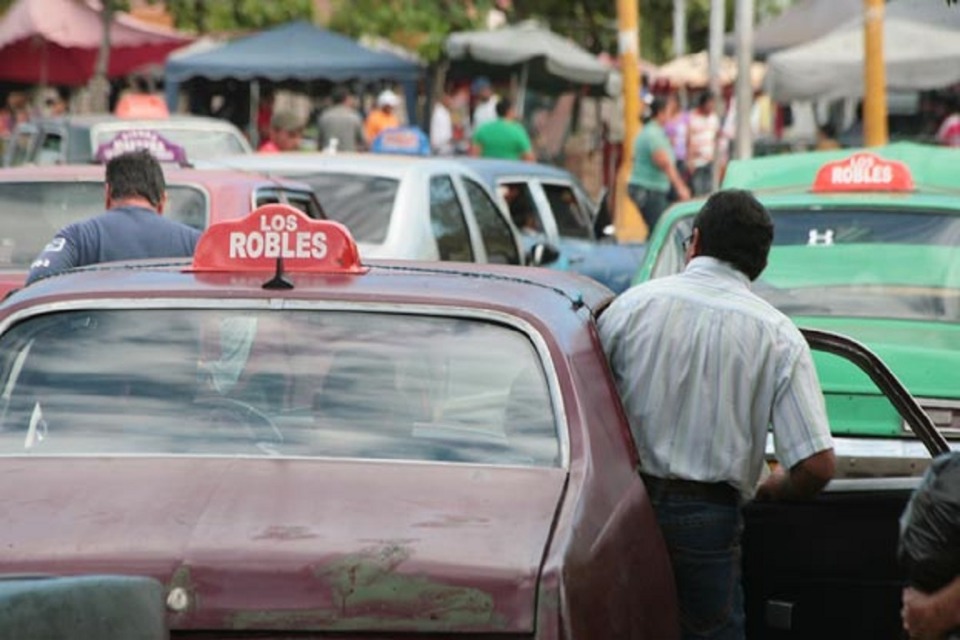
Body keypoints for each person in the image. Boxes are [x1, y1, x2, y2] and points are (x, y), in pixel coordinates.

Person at [598, 189, 836, 640]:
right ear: (760, 264)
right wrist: (774, 487)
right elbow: (817, 466)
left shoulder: (631, 307)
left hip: (619, 506)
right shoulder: (778, 336)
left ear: (696, 241)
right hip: (709, 520)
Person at [25, 150, 200, 285]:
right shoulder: (195, 243)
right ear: (162, 200)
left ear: (108, 194)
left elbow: (37, 281)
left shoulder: (78, 237)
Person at [627, 95, 691, 236]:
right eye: (669, 111)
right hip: (649, 188)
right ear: (661, 113)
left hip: (653, 188)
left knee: (657, 228)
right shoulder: (653, 134)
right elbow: (664, 163)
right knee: (659, 230)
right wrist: (680, 188)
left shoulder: (654, 132)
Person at [687, 92, 721, 196]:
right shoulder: (692, 117)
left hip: (709, 161)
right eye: (709, 104)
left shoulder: (714, 118)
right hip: (697, 162)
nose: (711, 107)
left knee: (709, 191)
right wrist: (689, 160)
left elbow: (716, 138)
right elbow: (687, 140)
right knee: (698, 191)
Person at [317, 87, 365, 152]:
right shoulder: (354, 117)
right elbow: (362, 141)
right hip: (349, 157)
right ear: (346, 99)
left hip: (328, 157)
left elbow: (320, 142)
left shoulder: (324, 116)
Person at [429, 87, 456, 156]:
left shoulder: (445, 111)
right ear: (444, 98)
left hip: (446, 147)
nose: (450, 101)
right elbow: (437, 133)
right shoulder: (438, 112)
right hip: (439, 148)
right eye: (448, 98)